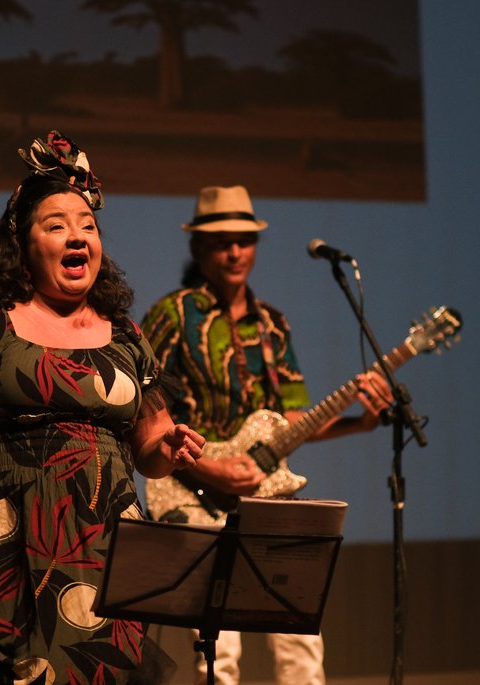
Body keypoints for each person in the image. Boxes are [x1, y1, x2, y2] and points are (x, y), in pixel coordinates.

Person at [0, 131, 206, 685]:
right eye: (57, 225)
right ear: (21, 244)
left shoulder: (125, 336)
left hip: (109, 549)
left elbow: (150, 448)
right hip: (10, 544)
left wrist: (170, 448)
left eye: (88, 226)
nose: (78, 236)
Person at [140, 186, 394, 685]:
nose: (235, 251)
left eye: (244, 240)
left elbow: (291, 420)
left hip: (262, 493)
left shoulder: (273, 325)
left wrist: (361, 422)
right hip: (190, 489)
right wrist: (210, 469)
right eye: (221, 241)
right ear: (198, 248)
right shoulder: (172, 316)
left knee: (300, 632)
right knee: (219, 650)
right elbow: (148, 408)